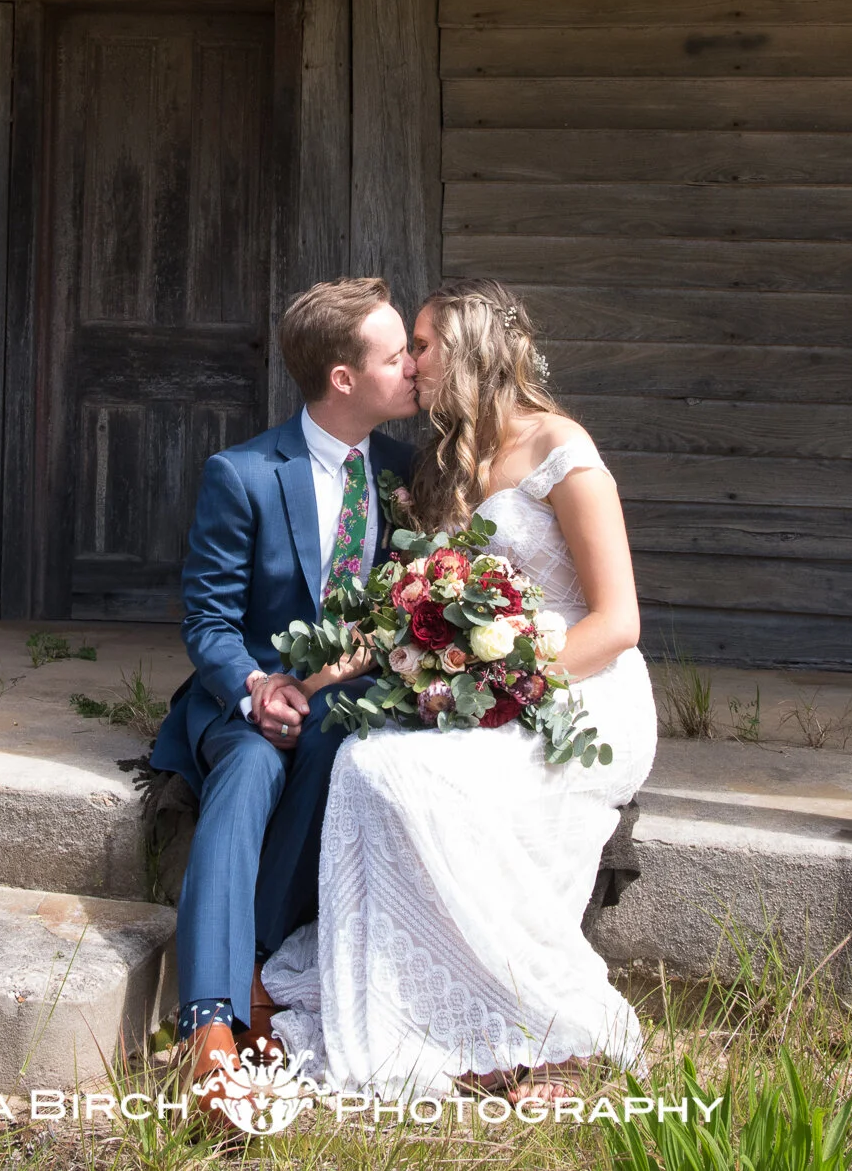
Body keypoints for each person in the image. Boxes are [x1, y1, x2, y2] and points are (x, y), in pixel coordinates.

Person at [259, 278, 657, 1104]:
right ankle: (430, 1006)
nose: (411, 362)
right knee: (366, 762)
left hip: (578, 693)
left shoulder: (563, 450)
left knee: (402, 772)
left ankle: (550, 1027)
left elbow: (617, 622)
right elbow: (406, 606)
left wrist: (507, 684)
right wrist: (315, 670)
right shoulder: (442, 469)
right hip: (480, 690)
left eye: (423, 345)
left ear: (470, 350)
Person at [145, 276, 420, 1121]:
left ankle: (261, 968)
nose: (415, 365)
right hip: (248, 698)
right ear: (344, 378)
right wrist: (256, 687)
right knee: (250, 775)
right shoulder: (245, 474)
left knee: (340, 737)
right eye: (396, 352)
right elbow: (209, 618)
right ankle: (211, 1032)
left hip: (349, 700)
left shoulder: (407, 474)